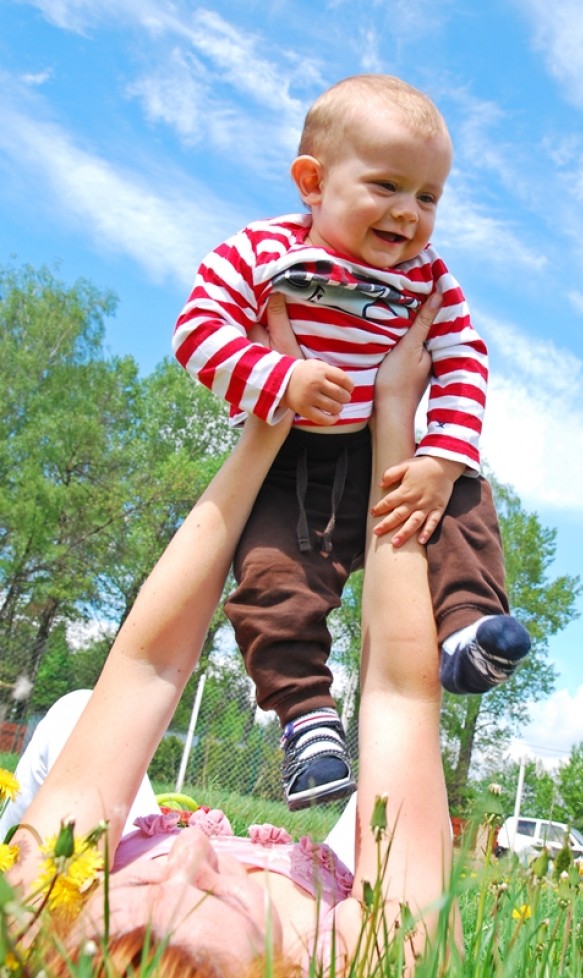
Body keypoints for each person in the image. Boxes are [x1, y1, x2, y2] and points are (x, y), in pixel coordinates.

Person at [6, 300, 455, 976]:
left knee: (76, 711)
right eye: (205, 897)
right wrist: (394, 418)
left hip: (97, 874)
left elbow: (147, 667)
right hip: (320, 898)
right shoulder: (366, 957)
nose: (189, 856)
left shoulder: (49, 919)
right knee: (393, 808)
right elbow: (400, 697)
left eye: (149, 887)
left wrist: (268, 424)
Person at [172, 73, 530, 809]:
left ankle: (465, 630)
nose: (410, 213)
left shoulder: (429, 278)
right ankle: (307, 722)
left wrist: (441, 456)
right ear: (313, 181)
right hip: (292, 460)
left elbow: (463, 358)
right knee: (271, 577)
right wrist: (278, 377)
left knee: (462, 505)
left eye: (428, 197)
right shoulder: (262, 252)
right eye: (388, 186)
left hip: (385, 453)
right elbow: (197, 330)